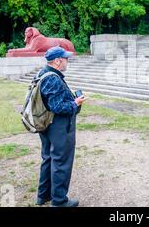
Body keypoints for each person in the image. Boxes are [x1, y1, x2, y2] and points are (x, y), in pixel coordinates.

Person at [35, 46, 86, 207]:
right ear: (57, 61)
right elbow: (57, 107)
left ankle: (43, 196)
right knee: (61, 161)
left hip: (46, 124)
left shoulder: (42, 73)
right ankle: (59, 201)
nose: (67, 61)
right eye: (65, 59)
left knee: (48, 158)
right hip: (58, 126)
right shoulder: (53, 78)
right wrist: (75, 103)